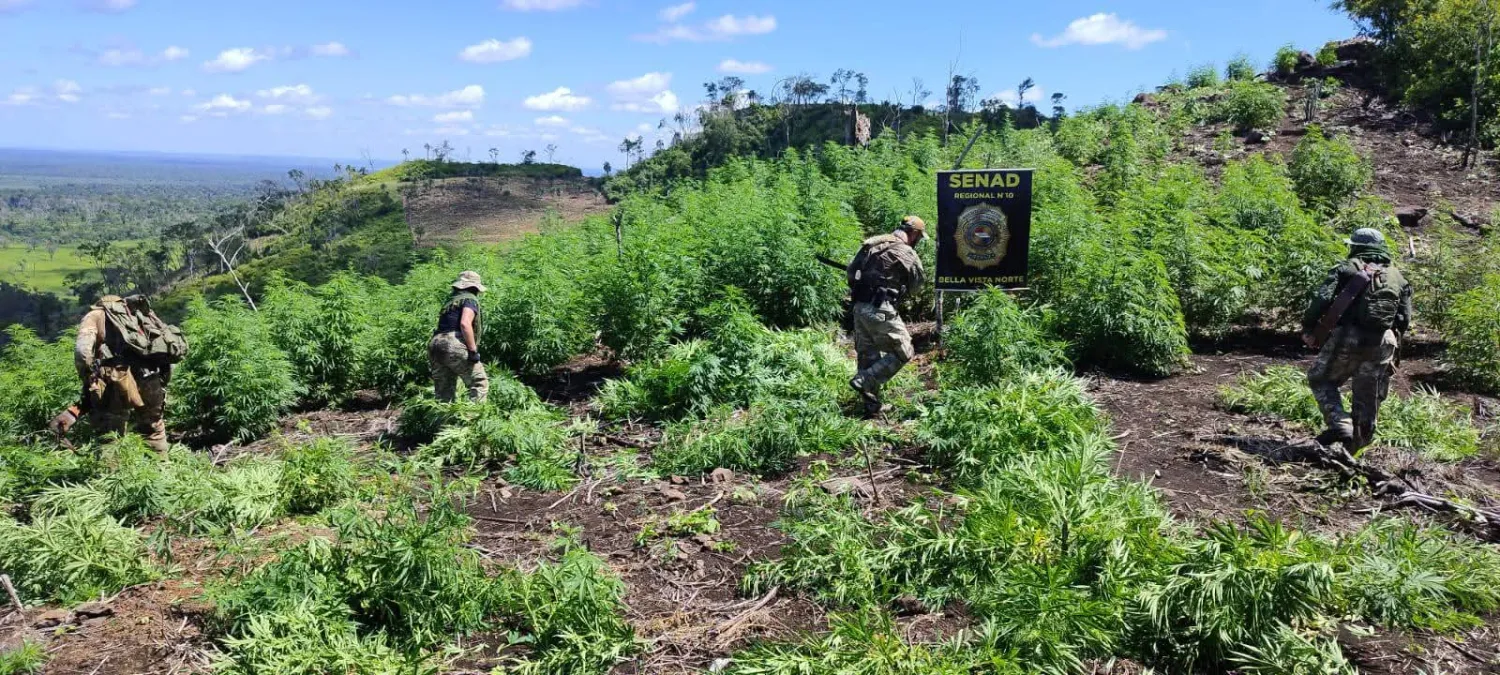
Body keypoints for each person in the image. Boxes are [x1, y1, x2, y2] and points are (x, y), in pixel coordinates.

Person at [1301, 228, 1413, 451]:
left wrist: (1309, 327)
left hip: (1348, 336)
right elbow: (1404, 319)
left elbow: (1322, 299)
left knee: (1321, 380)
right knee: (1367, 397)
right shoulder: (1398, 276)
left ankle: (1341, 424)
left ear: (1356, 247)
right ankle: (1355, 450)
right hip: (1383, 340)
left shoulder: (1347, 268)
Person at [50, 294, 182, 452]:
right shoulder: (139, 313)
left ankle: (114, 474)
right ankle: (161, 471)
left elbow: (82, 352)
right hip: (150, 378)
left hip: (115, 381)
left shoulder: (96, 315)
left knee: (110, 435)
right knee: (154, 428)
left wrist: (88, 378)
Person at [847, 215, 926, 416]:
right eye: (918, 237)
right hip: (879, 308)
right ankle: (865, 380)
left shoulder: (873, 244)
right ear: (914, 234)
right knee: (905, 350)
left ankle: (871, 408)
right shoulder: (905, 251)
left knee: (867, 356)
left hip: (858, 307)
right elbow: (917, 287)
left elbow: (851, 273)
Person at [430, 271, 489, 403]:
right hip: (453, 343)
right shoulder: (470, 299)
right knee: (479, 383)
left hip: (435, 344)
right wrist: (473, 351)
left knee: (443, 392)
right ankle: (474, 419)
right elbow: (464, 324)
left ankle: (443, 422)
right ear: (474, 288)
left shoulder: (451, 300)